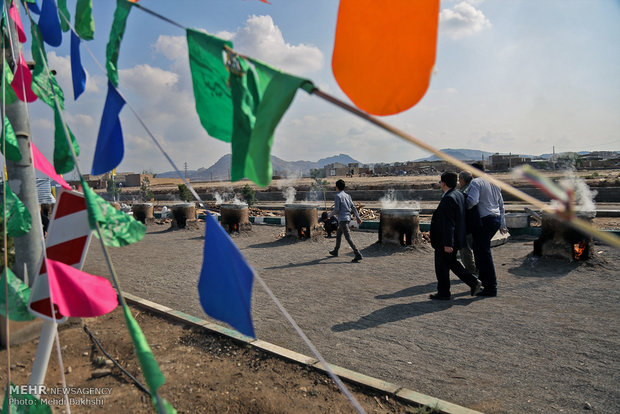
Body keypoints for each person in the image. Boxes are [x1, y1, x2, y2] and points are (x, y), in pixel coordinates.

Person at [429, 172, 481, 300]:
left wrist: (448, 243)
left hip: (446, 240)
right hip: (457, 237)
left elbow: (448, 223)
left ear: (443, 183)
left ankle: (444, 292)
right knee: (452, 263)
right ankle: (472, 282)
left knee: (441, 265)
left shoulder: (449, 198)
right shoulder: (459, 195)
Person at [466, 162, 508, 297]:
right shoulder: (494, 182)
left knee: (483, 252)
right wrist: (502, 223)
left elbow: (472, 201)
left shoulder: (475, 182)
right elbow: (501, 205)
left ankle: (490, 287)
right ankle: (484, 283)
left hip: (484, 220)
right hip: (494, 219)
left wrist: (461, 207)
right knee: (479, 250)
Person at [328, 179, 363, 263]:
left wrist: (329, 215)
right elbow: (353, 208)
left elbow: (336, 210)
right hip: (346, 218)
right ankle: (335, 251)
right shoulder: (348, 196)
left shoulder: (337, 196)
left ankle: (357, 254)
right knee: (339, 234)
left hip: (342, 219)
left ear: (337, 187)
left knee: (348, 237)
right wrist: (358, 217)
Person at [458, 171, 478, 275]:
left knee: (465, 249)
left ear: (462, 179)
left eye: (459, 179)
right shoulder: (475, 185)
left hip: (468, 224)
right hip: (476, 223)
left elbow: (466, 205)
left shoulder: (466, 189)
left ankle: (471, 271)